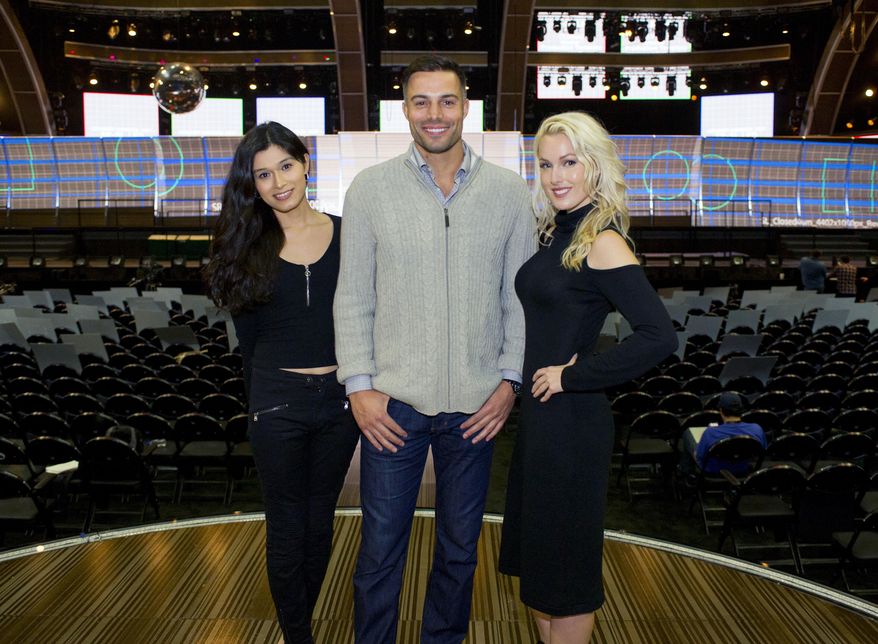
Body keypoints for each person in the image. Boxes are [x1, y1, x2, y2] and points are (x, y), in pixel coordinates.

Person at [334, 54, 536, 644]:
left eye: (446, 100)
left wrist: (508, 383)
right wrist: (360, 390)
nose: (435, 113)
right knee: (379, 552)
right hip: (391, 406)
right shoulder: (370, 190)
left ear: (466, 106)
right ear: (405, 111)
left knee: (458, 550)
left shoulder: (507, 192)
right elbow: (353, 299)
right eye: (421, 102)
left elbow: (518, 300)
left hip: (476, 407)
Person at [498, 111, 677, 644]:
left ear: (594, 166)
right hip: (544, 423)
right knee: (541, 565)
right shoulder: (559, 232)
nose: (557, 175)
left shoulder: (601, 238)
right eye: (547, 163)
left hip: (573, 425)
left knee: (567, 573)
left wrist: (574, 376)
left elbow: (658, 336)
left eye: (570, 162)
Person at [204, 121, 359, 644]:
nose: (278, 182)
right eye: (263, 174)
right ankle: (298, 635)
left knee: (320, 524)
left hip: (340, 404)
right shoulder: (246, 246)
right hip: (277, 405)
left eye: (285, 166)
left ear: (306, 162)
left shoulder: (350, 232)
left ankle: (303, 619)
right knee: (287, 525)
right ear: (254, 184)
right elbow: (248, 346)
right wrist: (261, 406)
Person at [683, 392, 766, 475]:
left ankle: (687, 475)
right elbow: (762, 450)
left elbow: (699, 457)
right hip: (743, 468)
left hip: (712, 471)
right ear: (741, 409)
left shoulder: (711, 432)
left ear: (721, 411)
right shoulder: (757, 429)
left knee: (687, 434)